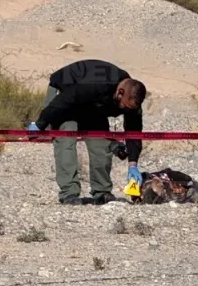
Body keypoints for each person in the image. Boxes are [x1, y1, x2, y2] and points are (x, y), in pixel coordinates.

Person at [27, 59, 146, 205]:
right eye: (125, 107)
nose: (125, 111)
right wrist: (40, 124)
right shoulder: (97, 84)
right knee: (66, 139)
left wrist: (133, 165)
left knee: (101, 142)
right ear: (119, 93)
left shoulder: (132, 97)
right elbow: (64, 100)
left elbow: (133, 132)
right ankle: (69, 193)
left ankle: (102, 191)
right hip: (64, 93)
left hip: (90, 104)